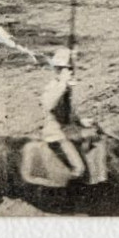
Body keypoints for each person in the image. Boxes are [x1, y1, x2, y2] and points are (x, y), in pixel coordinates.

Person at [41, 48, 87, 181]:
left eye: (70, 70)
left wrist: (81, 121)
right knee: (79, 168)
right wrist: (62, 83)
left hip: (70, 131)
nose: (70, 73)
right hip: (56, 134)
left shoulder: (65, 89)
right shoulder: (52, 87)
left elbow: (68, 113)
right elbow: (50, 105)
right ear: (57, 70)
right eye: (67, 69)